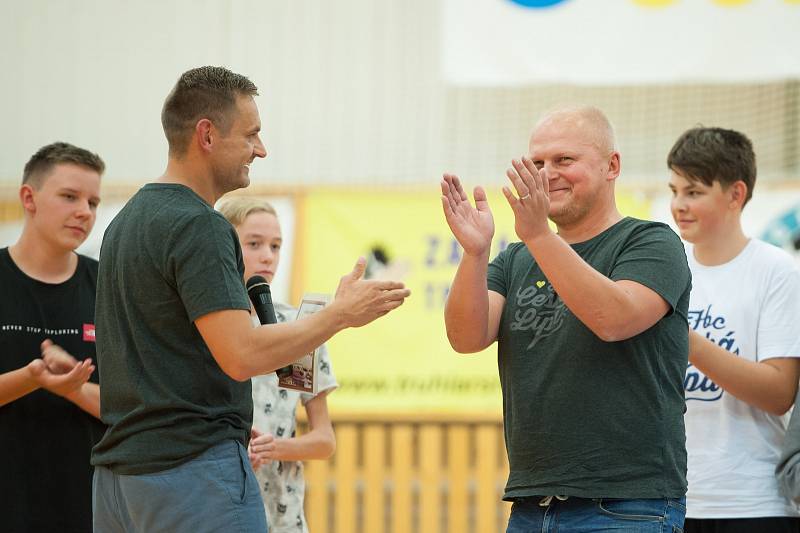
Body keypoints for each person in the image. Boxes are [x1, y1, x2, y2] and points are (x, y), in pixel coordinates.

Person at [91, 66, 410, 533]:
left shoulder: (124, 224)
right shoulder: (200, 224)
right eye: (251, 135)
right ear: (207, 135)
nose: (261, 150)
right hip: (192, 474)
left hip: (120, 481)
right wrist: (340, 315)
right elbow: (240, 355)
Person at [440, 105, 690, 532]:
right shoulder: (516, 257)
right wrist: (475, 252)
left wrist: (537, 234)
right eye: (537, 163)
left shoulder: (650, 241)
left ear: (611, 165)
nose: (547, 173)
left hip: (627, 505)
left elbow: (613, 319)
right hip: (531, 506)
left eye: (564, 160)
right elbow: (466, 337)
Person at [667, 127, 800, 533]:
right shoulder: (666, 270)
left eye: (693, 192)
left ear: (735, 194)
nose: (678, 205)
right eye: (673, 190)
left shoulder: (777, 272)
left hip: (753, 502)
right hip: (669, 500)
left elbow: (779, 393)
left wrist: (686, 341)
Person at [0, 142, 105, 533]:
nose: (84, 211)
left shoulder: (109, 287)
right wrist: (33, 377)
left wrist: (72, 388)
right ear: (29, 197)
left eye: (93, 202)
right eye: (69, 196)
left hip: (89, 506)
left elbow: (130, 404)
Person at [219, 197, 337, 533]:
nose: (268, 256)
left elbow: (324, 440)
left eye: (276, 246)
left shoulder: (298, 328)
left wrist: (274, 448)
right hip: (216, 509)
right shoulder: (203, 327)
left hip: (283, 518)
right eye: (254, 244)